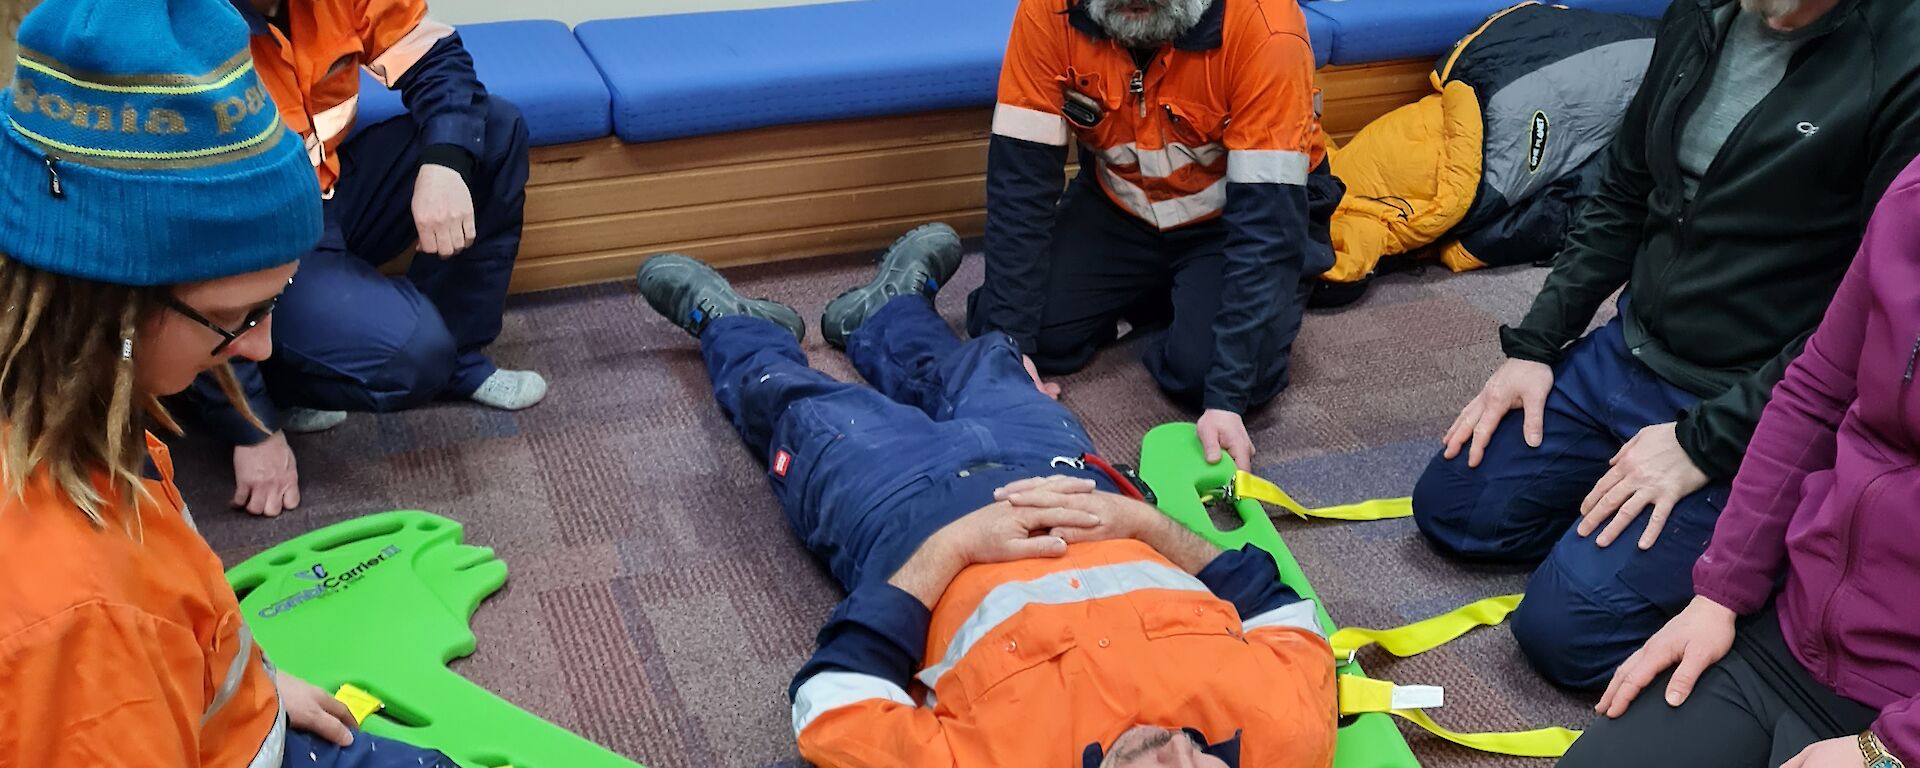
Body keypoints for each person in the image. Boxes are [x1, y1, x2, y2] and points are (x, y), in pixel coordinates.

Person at [636, 243, 1337, 767]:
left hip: (908, 518)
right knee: (989, 368)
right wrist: (1142, 522)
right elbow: (1279, 605)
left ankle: (732, 325)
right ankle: (885, 311)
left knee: (797, 406)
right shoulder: (1287, 732)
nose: (1176, 763)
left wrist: (951, 550)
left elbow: (833, 706)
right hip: (1075, 480)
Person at [1410, 0, 1920, 689]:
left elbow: (1863, 318)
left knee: (1566, 632)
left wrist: (1704, 442)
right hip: (1633, 347)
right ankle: (1620, 531)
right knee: (1456, 509)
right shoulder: (1702, 12)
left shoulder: (1902, 60)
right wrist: (1535, 344)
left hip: (1753, 399)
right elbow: (1625, 187)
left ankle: (1775, 551)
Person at [0, 0, 456, 765]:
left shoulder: (76, 413)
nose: (264, 346)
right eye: (237, 315)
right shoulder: (78, 616)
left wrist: (263, 686)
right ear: (111, 304)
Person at [1555, 156, 1920, 768]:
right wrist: (1721, 591)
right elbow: (1816, 393)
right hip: (1799, 637)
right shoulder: (1912, 193)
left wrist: (1890, 752)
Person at [898, 0, 1341, 475]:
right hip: (1120, 207)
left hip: (1234, 220)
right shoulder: (1049, 11)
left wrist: (1227, 397)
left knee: (1211, 375)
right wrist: (1013, 346)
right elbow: (1021, 186)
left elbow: (1265, 229)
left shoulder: (1266, 25)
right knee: (1003, 333)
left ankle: (1195, 303)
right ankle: (1171, 297)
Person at [180, 0, 543, 518]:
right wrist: (251, 429)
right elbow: (184, 256)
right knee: (415, 355)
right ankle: (272, 387)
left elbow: (435, 58)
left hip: (329, 188)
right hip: (254, 234)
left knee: (494, 129)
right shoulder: (178, 28)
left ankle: (460, 358)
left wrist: (444, 162)